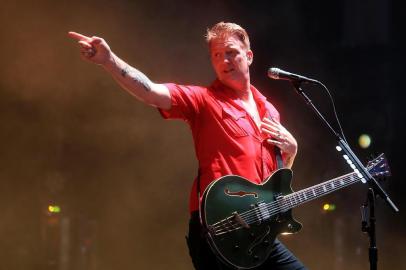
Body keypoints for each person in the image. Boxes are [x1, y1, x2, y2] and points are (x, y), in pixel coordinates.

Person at [69, 22, 306, 270]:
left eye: (231, 52)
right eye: (217, 55)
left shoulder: (269, 111)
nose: (224, 60)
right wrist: (109, 60)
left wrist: (291, 152)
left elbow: (273, 185)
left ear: (248, 56)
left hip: (258, 232)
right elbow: (150, 91)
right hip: (219, 227)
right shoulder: (204, 100)